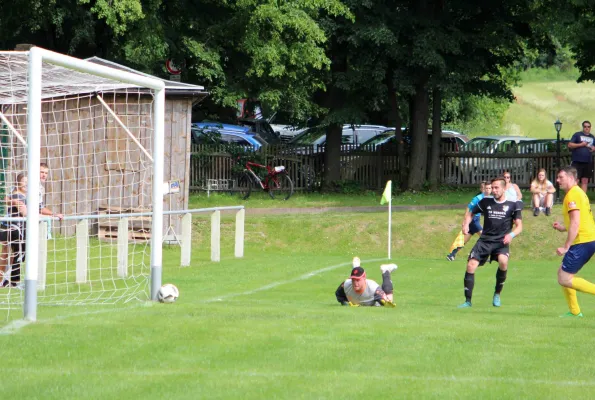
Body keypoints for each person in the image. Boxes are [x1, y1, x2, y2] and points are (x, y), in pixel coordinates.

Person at [458, 176, 523, 308]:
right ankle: (467, 301)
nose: (493, 190)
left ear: (504, 188)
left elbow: (519, 226)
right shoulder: (485, 201)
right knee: (471, 265)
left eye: (496, 187)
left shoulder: (513, 204)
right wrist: (466, 224)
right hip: (485, 240)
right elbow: (471, 213)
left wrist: (511, 235)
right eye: (492, 187)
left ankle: (497, 294)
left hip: (501, 241)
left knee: (503, 262)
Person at [552, 166, 595, 317]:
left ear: (571, 178)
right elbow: (578, 221)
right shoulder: (578, 193)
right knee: (562, 273)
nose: (558, 181)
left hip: (582, 241)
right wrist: (563, 228)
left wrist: (566, 246)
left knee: (564, 278)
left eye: (561, 177)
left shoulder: (572, 195)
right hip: (587, 239)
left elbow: (576, 223)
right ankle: (575, 311)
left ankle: (575, 311)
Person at [446, 181, 492, 261]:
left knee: (465, 239)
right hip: (473, 220)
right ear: (482, 189)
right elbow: (468, 207)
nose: (487, 190)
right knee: (484, 237)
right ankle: (482, 256)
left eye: (489, 188)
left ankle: (452, 255)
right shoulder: (478, 198)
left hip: (476, 219)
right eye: (485, 188)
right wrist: (465, 220)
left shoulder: (490, 198)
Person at [1, 173, 28, 287]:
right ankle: (5, 279)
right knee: (9, 252)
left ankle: (7, 279)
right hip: (12, 227)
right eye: (24, 181)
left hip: (18, 228)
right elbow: (25, 213)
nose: (26, 183)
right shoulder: (18, 196)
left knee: (15, 252)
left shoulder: (23, 194)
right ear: (18, 183)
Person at [568, 121, 595, 193]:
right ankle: (574, 197)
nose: (587, 128)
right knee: (575, 180)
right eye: (585, 126)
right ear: (583, 127)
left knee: (585, 180)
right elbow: (570, 145)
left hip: (588, 161)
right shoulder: (577, 135)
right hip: (577, 161)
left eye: (588, 127)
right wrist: (581, 144)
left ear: (590, 128)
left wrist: (593, 148)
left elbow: (593, 147)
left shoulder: (592, 137)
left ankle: (583, 199)